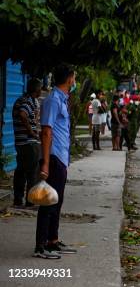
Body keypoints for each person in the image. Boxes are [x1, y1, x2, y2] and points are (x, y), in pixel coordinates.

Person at [35, 64, 78, 259]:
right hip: (52, 157)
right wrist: (44, 162)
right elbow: (46, 131)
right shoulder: (52, 100)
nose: (75, 81)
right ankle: (41, 246)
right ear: (69, 79)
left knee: (57, 201)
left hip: (61, 157)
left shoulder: (62, 99)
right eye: (74, 78)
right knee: (48, 202)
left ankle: (52, 240)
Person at [12, 78, 42, 208]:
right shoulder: (28, 101)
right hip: (29, 142)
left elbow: (31, 116)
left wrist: (35, 123)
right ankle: (30, 201)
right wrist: (31, 132)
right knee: (32, 172)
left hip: (20, 142)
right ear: (37, 90)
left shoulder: (22, 100)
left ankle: (18, 199)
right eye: (40, 88)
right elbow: (23, 114)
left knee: (20, 171)